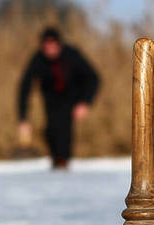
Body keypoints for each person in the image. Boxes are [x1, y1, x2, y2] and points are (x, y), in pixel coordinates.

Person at [17, 27, 100, 169]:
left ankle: (62, 162)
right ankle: (57, 161)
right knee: (50, 131)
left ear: (59, 44)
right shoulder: (38, 59)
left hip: (72, 97)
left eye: (53, 45)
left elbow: (93, 77)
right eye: (46, 46)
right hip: (50, 99)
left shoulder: (72, 55)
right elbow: (25, 87)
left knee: (63, 129)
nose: (50, 50)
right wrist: (23, 119)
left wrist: (85, 102)